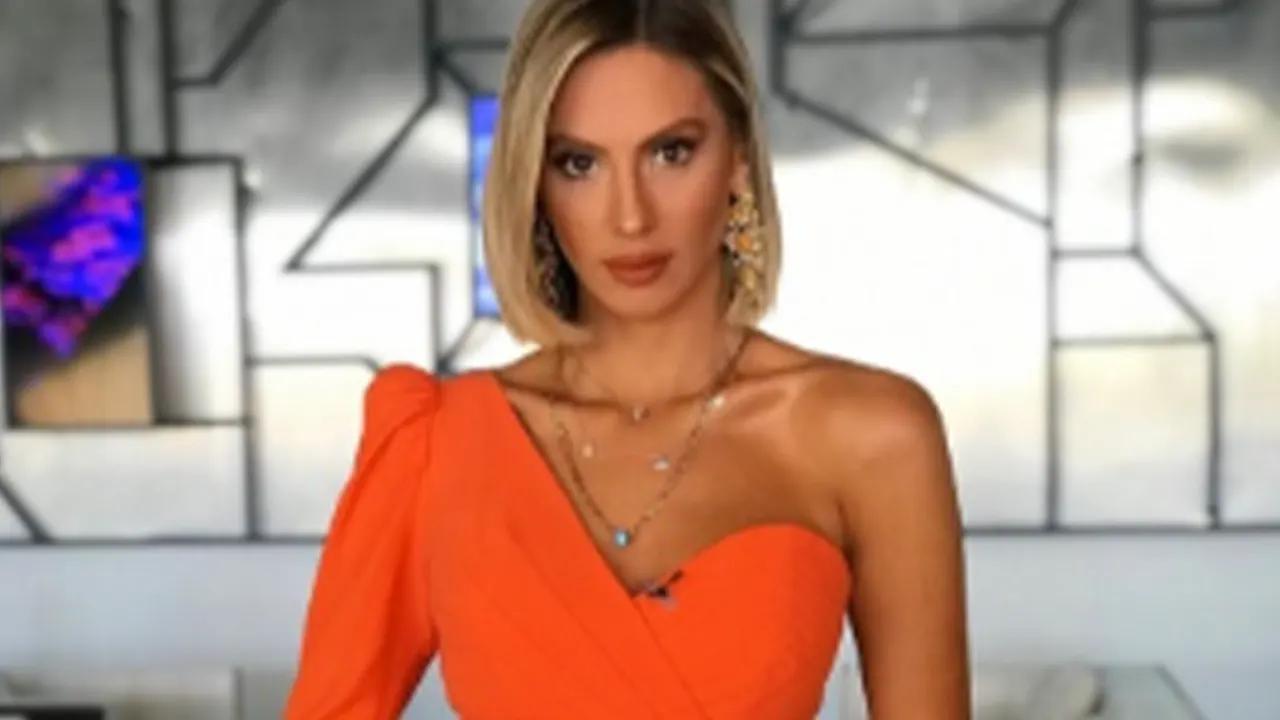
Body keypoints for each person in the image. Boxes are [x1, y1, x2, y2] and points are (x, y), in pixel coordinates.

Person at [284, 0, 970, 717]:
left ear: (738, 157)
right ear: (535, 182)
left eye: (671, 152)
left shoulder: (871, 436)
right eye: (579, 163)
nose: (630, 216)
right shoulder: (435, 445)